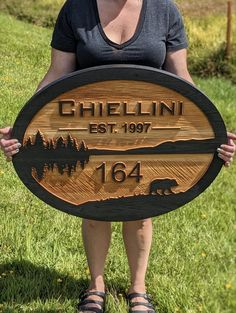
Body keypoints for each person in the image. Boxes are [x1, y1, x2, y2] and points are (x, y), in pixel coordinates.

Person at [0, 0, 236, 312]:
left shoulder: (165, 11)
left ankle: (138, 288)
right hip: (90, 129)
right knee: (93, 204)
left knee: (143, 207)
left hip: (149, 130)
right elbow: (57, 74)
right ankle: (95, 285)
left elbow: (182, 80)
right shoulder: (76, 9)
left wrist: (213, 132)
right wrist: (25, 126)